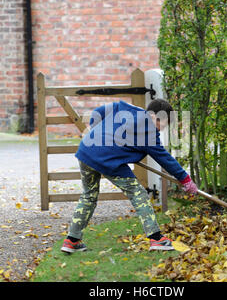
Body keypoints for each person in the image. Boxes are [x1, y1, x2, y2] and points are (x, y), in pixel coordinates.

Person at [61, 98, 198, 253]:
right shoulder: (150, 133)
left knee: (88, 196)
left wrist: (98, 133)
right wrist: (185, 180)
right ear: (155, 117)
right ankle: (156, 238)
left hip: (87, 150)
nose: (161, 129)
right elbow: (166, 159)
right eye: (163, 125)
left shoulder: (124, 107)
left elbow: (97, 113)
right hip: (109, 159)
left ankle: (71, 240)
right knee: (138, 194)